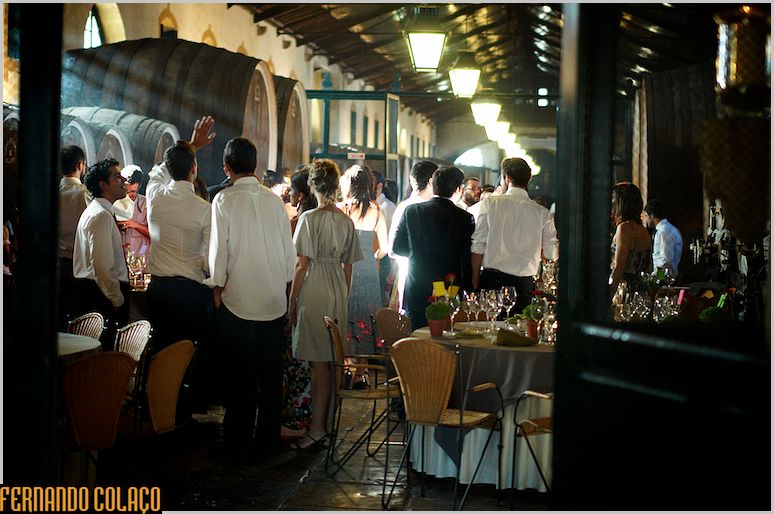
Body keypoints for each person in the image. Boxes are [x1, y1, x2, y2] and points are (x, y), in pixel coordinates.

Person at [207, 137, 295, 459]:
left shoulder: (224, 201)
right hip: (273, 301)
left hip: (238, 301)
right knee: (270, 380)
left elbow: (218, 253)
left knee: (240, 380)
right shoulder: (275, 202)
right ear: (255, 165)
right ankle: (268, 441)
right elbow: (289, 257)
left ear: (227, 167)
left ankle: (238, 442)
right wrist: (281, 284)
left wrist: (217, 289)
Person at [288, 159, 362, 450]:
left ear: (313, 185)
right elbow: (349, 267)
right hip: (336, 289)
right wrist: (342, 297)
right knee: (332, 363)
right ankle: (329, 424)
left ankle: (316, 429)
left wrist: (292, 301)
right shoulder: (346, 221)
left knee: (319, 366)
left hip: (315, 286)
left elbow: (301, 265)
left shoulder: (309, 219)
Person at [145, 141, 213, 411]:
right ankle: (182, 413)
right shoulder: (204, 209)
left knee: (160, 352)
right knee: (186, 357)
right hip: (190, 294)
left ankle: (157, 411)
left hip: (159, 289)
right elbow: (209, 259)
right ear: (194, 170)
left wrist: (192, 144)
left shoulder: (154, 196)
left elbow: (155, 174)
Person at [471, 157, 559, 314]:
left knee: (489, 331)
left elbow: (478, 244)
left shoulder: (490, 204)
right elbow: (551, 253)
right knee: (519, 332)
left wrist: (475, 277)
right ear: (529, 179)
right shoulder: (542, 213)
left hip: (492, 281)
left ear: (507, 178)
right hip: (524, 284)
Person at [392, 166, 474, 330]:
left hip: (417, 283)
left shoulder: (412, 211)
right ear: (457, 189)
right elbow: (465, 257)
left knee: (417, 333)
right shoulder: (464, 217)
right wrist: (469, 288)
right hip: (449, 284)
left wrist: (418, 253)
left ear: (433, 185)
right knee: (447, 333)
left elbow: (398, 248)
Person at [338, 164, 388, 387]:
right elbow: (385, 248)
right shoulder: (376, 210)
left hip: (344, 267)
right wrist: (373, 254)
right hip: (367, 268)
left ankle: (346, 368)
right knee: (366, 317)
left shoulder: (341, 209)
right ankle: (362, 372)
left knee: (345, 313)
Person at [72, 158, 130, 344]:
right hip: (101, 297)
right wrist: (117, 299)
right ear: (103, 184)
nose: (123, 179)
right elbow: (102, 267)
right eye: (116, 176)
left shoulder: (99, 211)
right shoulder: (101, 215)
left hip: (97, 293)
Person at [282, 167, 317, 436]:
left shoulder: (299, 221)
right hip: (318, 291)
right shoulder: (320, 217)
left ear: (301, 193)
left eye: (292, 189)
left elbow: (296, 264)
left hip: (298, 289)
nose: (288, 193)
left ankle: (297, 416)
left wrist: (291, 300)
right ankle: (311, 415)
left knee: (295, 356)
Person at [387, 160, 438, 311]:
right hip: (416, 275)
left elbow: (392, 249)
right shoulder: (426, 209)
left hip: (406, 272)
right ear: (431, 181)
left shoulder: (403, 206)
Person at [146, 115, 216, 202]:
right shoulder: (207, 211)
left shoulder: (155, 194)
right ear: (193, 168)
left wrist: (193, 145)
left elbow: (160, 172)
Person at [58, 145, 91, 325]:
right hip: (80, 268)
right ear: (80, 165)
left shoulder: (53, 193)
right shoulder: (84, 194)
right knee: (79, 321)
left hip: (56, 266)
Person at [609, 182, 652, 296]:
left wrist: (608, 295)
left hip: (624, 291)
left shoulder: (624, 228)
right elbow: (648, 268)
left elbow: (618, 267)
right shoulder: (643, 231)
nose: (611, 203)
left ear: (621, 202)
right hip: (641, 291)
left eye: (613, 198)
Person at [371, 170, 396, 307]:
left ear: (379, 186)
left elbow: (391, 239)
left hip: (384, 260)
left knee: (381, 299)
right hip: (374, 259)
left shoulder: (387, 206)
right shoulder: (373, 205)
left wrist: (391, 273)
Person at [115, 166, 150, 256]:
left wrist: (134, 224)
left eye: (133, 191)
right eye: (127, 191)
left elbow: (153, 234)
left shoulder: (146, 204)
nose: (129, 195)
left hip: (141, 252)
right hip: (121, 254)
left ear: (139, 188)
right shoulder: (116, 203)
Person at [643, 198, 683, 278]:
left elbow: (666, 261)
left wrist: (658, 279)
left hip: (665, 279)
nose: (646, 220)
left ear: (652, 215)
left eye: (646, 216)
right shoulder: (666, 229)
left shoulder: (664, 231)